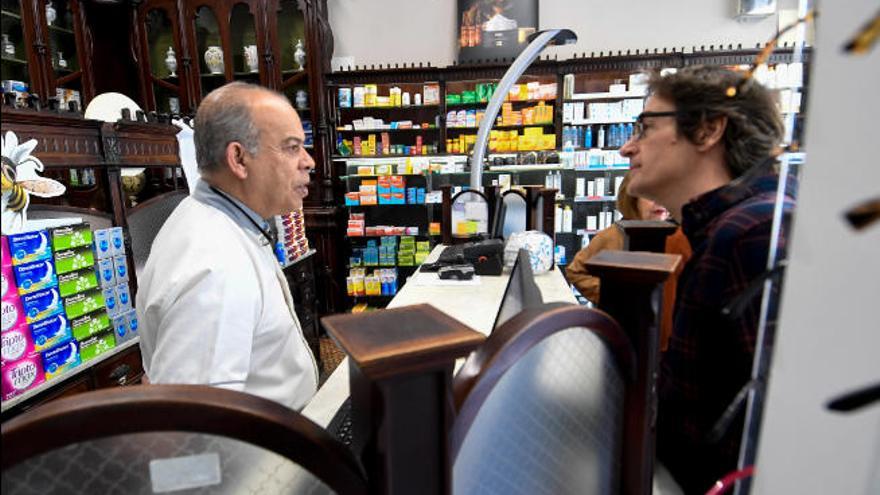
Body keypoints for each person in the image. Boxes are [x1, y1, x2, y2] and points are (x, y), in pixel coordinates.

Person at [619, 66, 796, 492]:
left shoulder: (751, 234)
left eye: (645, 128)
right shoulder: (728, 228)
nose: (628, 148)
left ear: (708, 129)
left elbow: (773, 432)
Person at [136, 82, 318, 411]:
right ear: (239, 158)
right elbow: (192, 434)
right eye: (291, 148)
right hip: (259, 461)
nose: (308, 161)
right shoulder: (215, 264)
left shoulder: (227, 224)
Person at [565, 173, 691, 350]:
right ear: (632, 198)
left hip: (668, 344)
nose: (659, 201)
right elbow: (576, 271)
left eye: (665, 193)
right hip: (626, 339)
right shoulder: (613, 235)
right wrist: (616, 296)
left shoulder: (679, 236)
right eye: (649, 195)